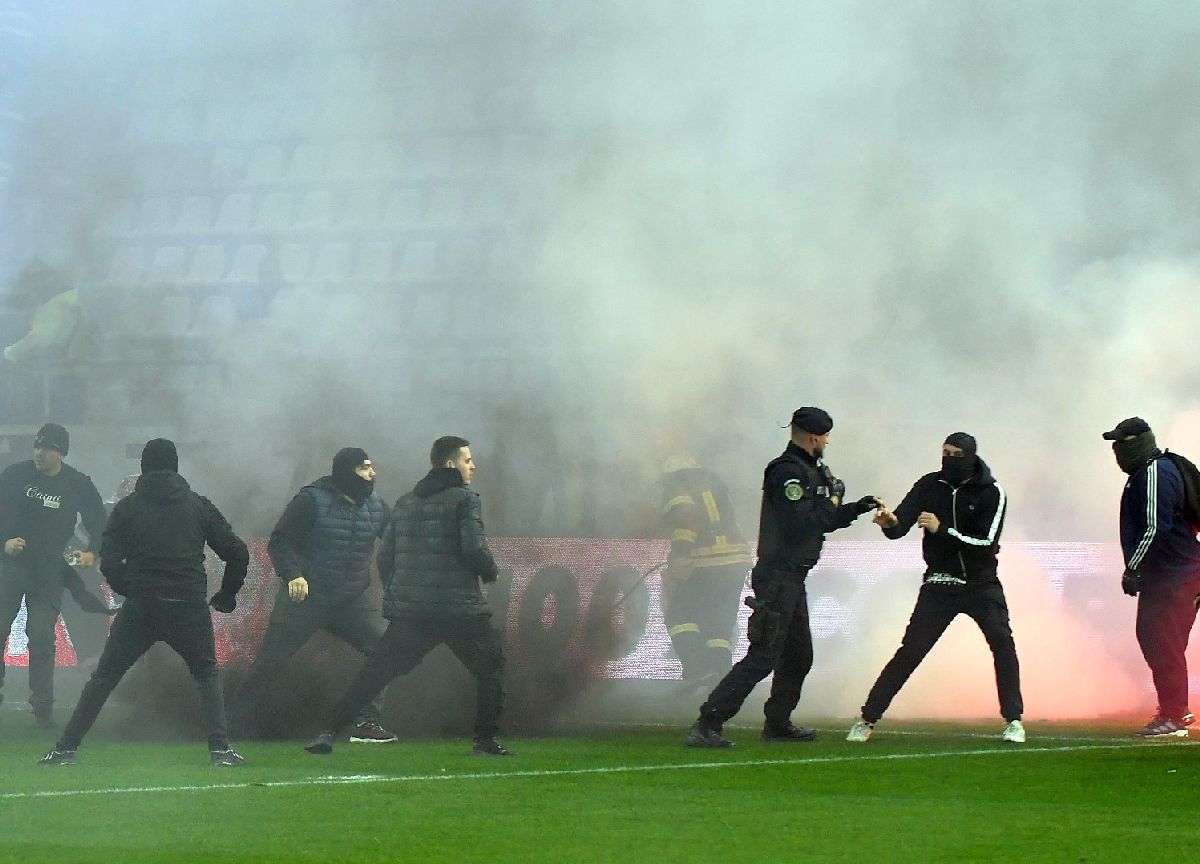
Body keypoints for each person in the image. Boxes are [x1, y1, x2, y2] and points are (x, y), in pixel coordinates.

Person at [38, 438, 250, 766]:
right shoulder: (198, 506)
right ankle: (220, 750)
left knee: (104, 677)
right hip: (187, 605)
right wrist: (226, 595)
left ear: (143, 468)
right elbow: (237, 552)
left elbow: (108, 560)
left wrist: (128, 590)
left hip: (143, 606)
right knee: (206, 675)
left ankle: (65, 748)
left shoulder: (128, 508)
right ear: (176, 466)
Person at [686, 407, 883, 748]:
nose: (827, 443)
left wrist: (854, 508)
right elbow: (801, 523)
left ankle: (777, 722)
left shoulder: (809, 470)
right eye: (825, 437)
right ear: (814, 437)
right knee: (764, 655)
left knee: (798, 655)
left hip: (793, 578)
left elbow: (824, 519)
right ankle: (708, 722)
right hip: (779, 575)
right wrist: (834, 499)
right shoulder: (787, 473)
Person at [305, 435, 510, 756]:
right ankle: (485, 742)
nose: (473, 466)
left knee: (376, 672)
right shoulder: (465, 500)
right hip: (460, 609)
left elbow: (386, 557)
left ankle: (328, 732)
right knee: (491, 668)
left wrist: (399, 593)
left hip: (413, 612)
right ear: (450, 463)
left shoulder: (405, 502)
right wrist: (489, 570)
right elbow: (473, 548)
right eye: (467, 460)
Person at [846, 433, 1024, 744]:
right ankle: (867, 718)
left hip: (980, 583)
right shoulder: (929, 484)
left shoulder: (992, 492)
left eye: (955, 454)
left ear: (970, 457)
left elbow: (985, 544)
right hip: (939, 582)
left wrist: (943, 530)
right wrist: (889, 521)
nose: (948, 460)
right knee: (911, 650)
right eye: (944, 453)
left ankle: (1014, 721)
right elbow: (900, 527)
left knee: (1002, 643)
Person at [233, 447, 397, 743]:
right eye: (365, 468)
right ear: (347, 472)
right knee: (271, 662)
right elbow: (280, 542)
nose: (372, 474)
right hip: (305, 600)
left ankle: (366, 723)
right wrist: (293, 574)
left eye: (372, 467)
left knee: (384, 648)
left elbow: (398, 542)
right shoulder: (310, 501)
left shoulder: (377, 507)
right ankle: (233, 726)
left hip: (350, 601)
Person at [0, 422, 107, 727]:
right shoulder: (13, 476)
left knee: (43, 637)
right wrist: (4, 542)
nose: (39, 453)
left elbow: (98, 521)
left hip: (48, 571)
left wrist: (92, 552)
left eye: (47, 448)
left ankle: (43, 708)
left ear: (60, 453)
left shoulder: (77, 484)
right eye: (37, 446)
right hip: (10, 567)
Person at [1103, 417, 1200, 738]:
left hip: (1176, 577)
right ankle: (1175, 710)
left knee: (1160, 641)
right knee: (1160, 641)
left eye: (1120, 443)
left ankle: (1174, 715)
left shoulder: (1154, 473)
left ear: (1138, 443)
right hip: (1176, 575)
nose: (1116, 450)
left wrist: (1134, 567)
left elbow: (1155, 527)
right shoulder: (1151, 471)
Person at [659, 453, 753, 689]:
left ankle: (695, 669)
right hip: (737, 560)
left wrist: (680, 554)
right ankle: (720, 676)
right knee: (719, 623)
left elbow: (687, 520)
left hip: (707, 560)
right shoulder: (714, 482)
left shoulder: (678, 484)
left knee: (679, 615)